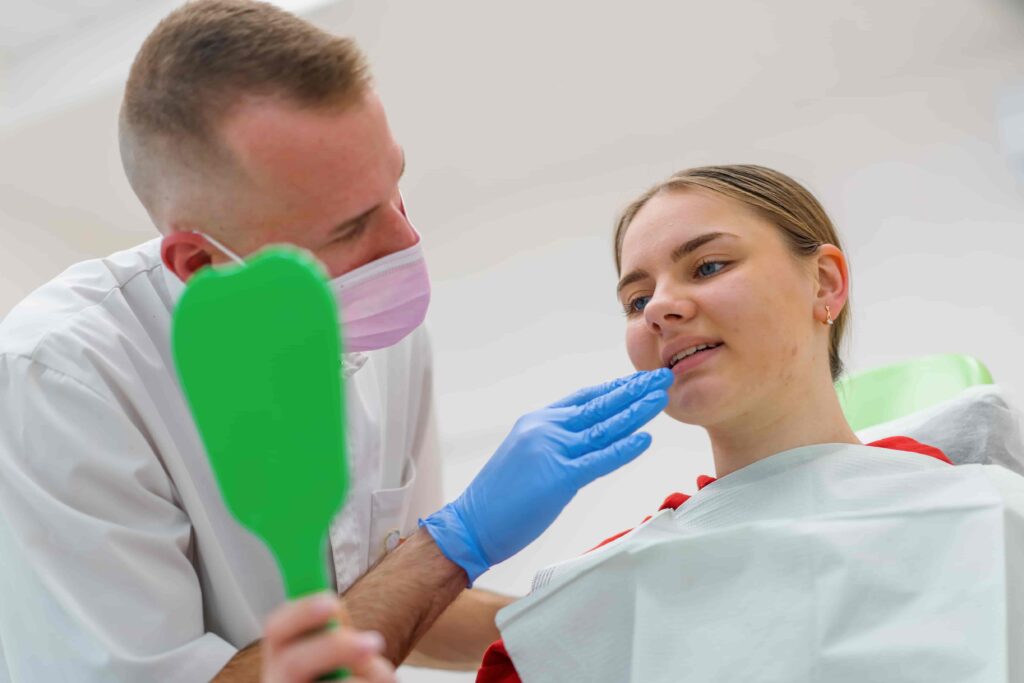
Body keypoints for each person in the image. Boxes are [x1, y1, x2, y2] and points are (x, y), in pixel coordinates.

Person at [0, 2, 673, 681]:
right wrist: (452, 543)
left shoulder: (383, 332)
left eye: (396, 185)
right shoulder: (63, 378)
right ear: (200, 263)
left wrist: (612, 617)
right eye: (349, 230)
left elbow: (401, 600)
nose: (406, 243)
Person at [474, 165, 1024, 682]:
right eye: (637, 299)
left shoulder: (989, 512)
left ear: (825, 283)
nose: (659, 308)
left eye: (708, 266)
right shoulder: (586, 605)